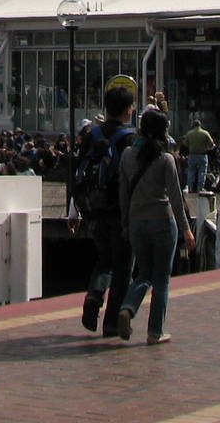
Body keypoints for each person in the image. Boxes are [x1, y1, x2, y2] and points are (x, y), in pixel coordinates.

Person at [116, 108, 193, 346]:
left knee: (143, 274)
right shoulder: (166, 159)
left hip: (137, 221)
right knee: (161, 279)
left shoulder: (127, 155)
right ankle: (155, 332)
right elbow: (176, 197)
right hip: (162, 221)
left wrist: (125, 223)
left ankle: (128, 307)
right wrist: (187, 228)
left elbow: (123, 193)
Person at [78, 85, 137, 337]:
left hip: (94, 208)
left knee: (104, 260)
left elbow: (79, 169)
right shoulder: (130, 138)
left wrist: (78, 207)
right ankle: (112, 322)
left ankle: (93, 297)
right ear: (128, 110)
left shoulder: (92, 134)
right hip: (121, 210)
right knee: (123, 265)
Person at [182, 116, 215, 193]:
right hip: (202, 155)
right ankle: (200, 188)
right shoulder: (205, 133)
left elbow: (185, 144)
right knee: (202, 172)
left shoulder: (189, 133)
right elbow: (212, 144)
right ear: (200, 125)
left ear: (193, 125)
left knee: (191, 171)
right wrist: (207, 148)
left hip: (192, 155)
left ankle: (190, 187)